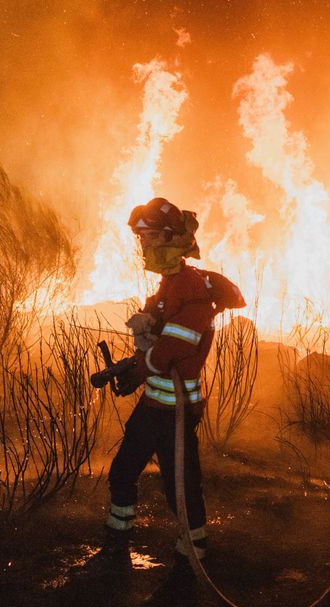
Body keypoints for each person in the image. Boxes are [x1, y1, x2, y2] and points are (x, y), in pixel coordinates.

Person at [104, 197, 215, 563]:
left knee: (179, 487)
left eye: (149, 237)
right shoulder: (169, 285)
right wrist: (132, 371)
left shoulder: (190, 287)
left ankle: (193, 552)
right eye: (142, 239)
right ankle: (116, 540)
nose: (144, 246)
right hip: (156, 404)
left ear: (169, 239)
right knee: (122, 471)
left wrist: (140, 369)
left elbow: (172, 350)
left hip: (176, 411)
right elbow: (157, 344)